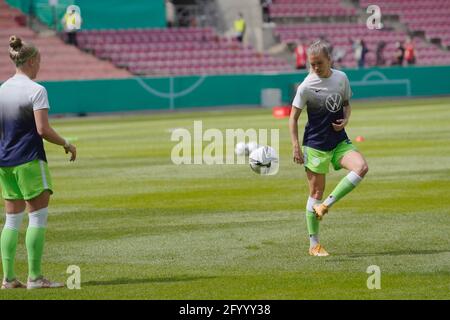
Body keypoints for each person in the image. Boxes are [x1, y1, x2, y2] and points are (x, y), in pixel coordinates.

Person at [0, 36, 76, 289]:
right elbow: (42, 129)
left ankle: (9, 279)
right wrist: (66, 143)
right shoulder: (36, 90)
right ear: (31, 61)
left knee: (11, 220)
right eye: (39, 60)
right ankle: (35, 277)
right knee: (37, 218)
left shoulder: (2, 89)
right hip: (30, 159)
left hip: (5, 161)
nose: (40, 64)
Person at [288, 40, 369, 257]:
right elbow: (292, 118)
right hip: (315, 145)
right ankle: (314, 245)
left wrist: (346, 120)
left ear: (329, 60)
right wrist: (296, 146)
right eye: (312, 64)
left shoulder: (341, 78)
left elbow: (346, 105)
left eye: (319, 63)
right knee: (315, 192)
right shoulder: (306, 86)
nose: (315, 68)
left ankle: (326, 206)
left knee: (361, 167)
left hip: (339, 140)